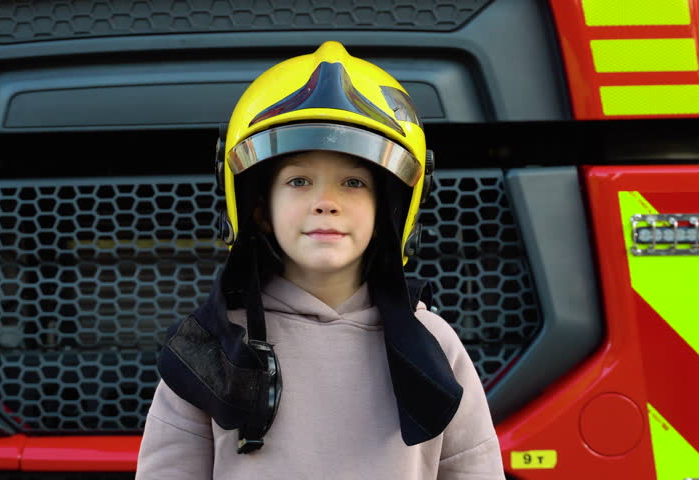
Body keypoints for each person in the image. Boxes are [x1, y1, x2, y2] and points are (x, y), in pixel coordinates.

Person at [136, 41, 505, 479]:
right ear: (259, 210)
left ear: (388, 211)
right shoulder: (212, 347)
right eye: (299, 181)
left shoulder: (434, 345)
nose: (326, 202)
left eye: (352, 181)